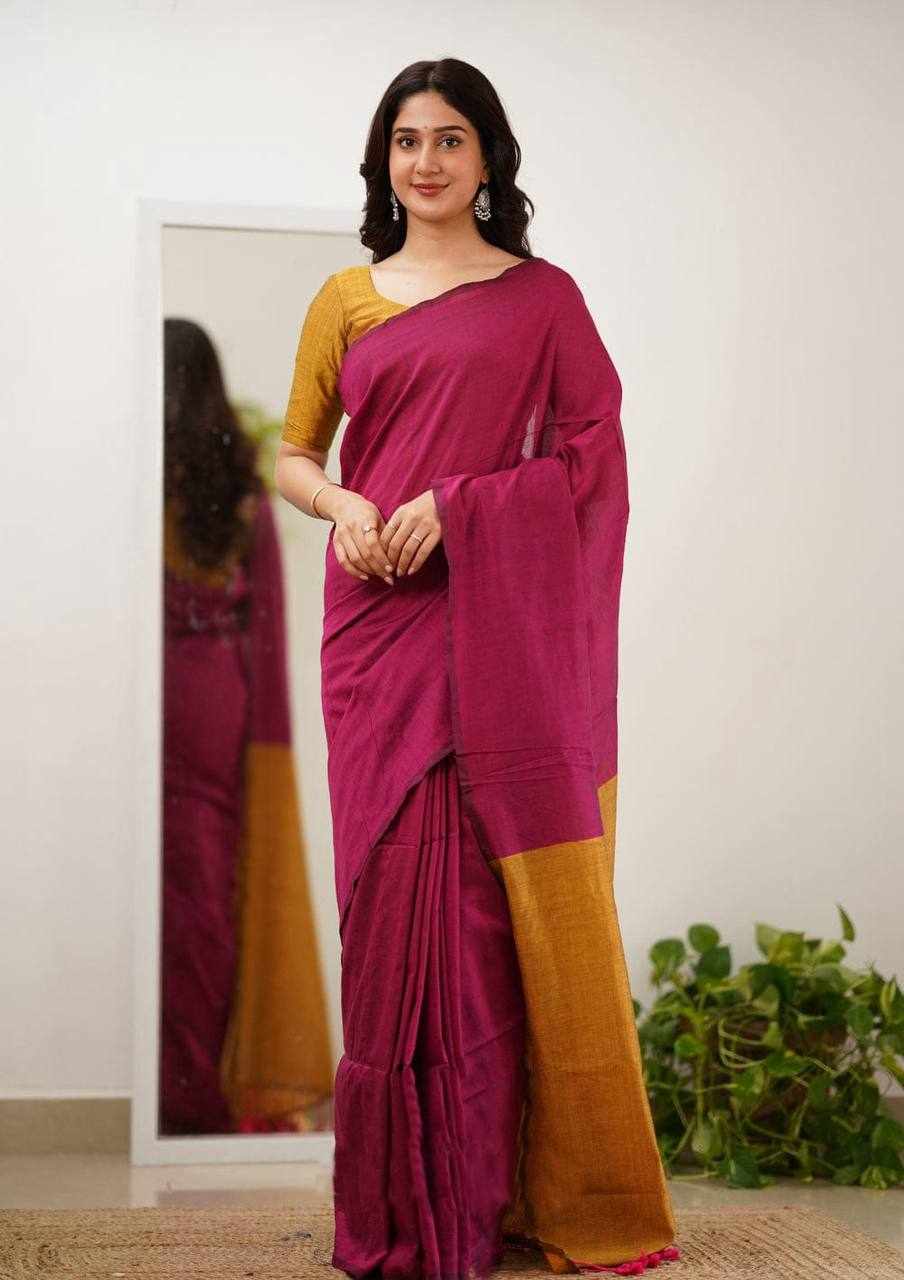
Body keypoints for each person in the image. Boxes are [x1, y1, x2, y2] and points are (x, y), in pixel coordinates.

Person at [274, 58, 682, 1280]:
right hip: (376, 629)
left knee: (482, 919)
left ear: (489, 157)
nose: (427, 162)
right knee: (388, 909)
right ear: (382, 160)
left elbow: (592, 462)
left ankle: (479, 1200)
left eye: (450, 139)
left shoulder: (542, 300)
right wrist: (345, 502)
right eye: (407, 140)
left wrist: (458, 506)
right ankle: (395, 1211)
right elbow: (293, 455)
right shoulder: (345, 299)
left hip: (494, 635)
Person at [161, 318, 334, 1137]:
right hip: (215, 705)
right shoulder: (237, 494)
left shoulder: (142, 492)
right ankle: (195, 1092)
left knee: (177, 898)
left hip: (164, 703)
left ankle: (186, 1095)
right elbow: (266, 631)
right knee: (205, 895)